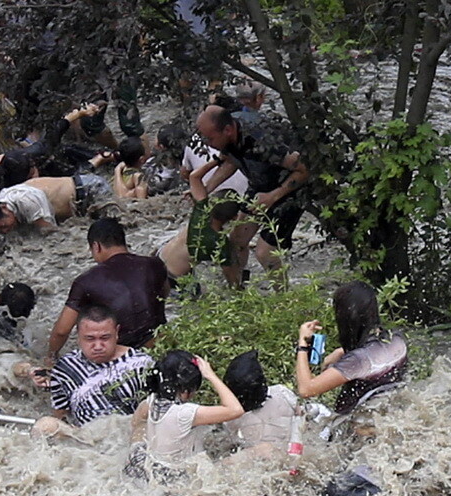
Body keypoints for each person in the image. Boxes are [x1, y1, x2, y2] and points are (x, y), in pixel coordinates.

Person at [196, 105, 309, 274]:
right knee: (236, 241)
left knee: (265, 252)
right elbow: (230, 160)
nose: (208, 144)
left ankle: (283, 297)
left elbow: (305, 169)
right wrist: (205, 189)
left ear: (227, 130)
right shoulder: (228, 135)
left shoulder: (262, 139)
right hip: (260, 184)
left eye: (210, 139)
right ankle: (239, 290)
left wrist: (272, 196)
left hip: (291, 189)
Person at [47, 218, 169, 357]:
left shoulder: (86, 281)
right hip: (162, 343)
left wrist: (50, 356)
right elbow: (162, 296)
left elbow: (62, 331)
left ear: (96, 246)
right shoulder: (155, 265)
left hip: (124, 356)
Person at [31, 306, 154, 436]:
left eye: (105, 338)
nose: (98, 346)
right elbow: (61, 415)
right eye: (90, 339)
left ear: (117, 332)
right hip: (85, 438)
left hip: (127, 437)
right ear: (78, 335)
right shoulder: (65, 367)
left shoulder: (142, 365)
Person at [126, 350, 243, 478]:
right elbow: (235, 410)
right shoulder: (184, 413)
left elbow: (136, 422)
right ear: (187, 389)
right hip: (175, 478)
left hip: (150, 470)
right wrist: (211, 375)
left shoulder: (151, 402)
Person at [295, 281, 407, 414]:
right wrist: (341, 352)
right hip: (391, 412)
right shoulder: (396, 338)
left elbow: (306, 389)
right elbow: (375, 355)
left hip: (355, 428)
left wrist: (302, 344)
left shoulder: (356, 360)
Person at [156, 156, 242, 286]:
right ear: (234, 217)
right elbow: (232, 281)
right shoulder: (219, 243)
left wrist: (218, 159)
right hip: (173, 280)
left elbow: (194, 176)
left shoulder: (201, 208)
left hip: (158, 258)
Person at [0, 173, 113, 235]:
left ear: (4, 207)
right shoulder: (4, 198)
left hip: (91, 190)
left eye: (4, 226)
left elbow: (53, 235)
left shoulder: (27, 203)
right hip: (81, 188)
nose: (5, 231)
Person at [222, 349, 299, 456]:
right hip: (289, 452)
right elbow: (301, 416)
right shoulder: (282, 393)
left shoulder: (233, 415)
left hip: (258, 460)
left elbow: (230, 441)